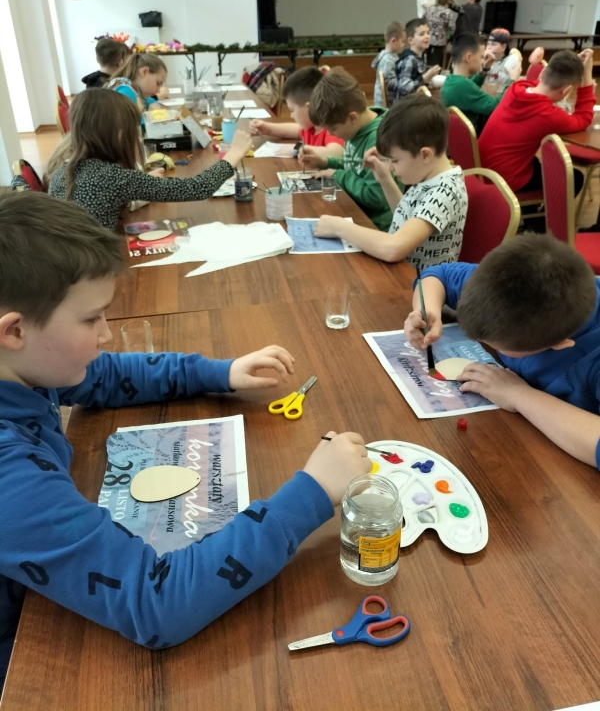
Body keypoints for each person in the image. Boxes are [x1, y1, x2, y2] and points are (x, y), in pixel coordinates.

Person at [0, 191, 371, 690]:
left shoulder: (22, 366)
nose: (107, 335)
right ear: (14, 331)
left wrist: (220, 373)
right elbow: (157, 603)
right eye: (91, 319)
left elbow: (103, 375)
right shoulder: (8, 478)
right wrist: (313, 492)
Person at [403, 233, 600, 470]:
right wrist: (426, 311)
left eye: (497, 344)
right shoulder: (505, 284)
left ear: (560, 344)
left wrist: (519, 395)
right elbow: (438, 275)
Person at [48, 90, 252, 229]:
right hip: (93, 267)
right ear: (118, 134)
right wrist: (234, 153)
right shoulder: (113, 177)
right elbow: (198, 188)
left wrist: (143, 183)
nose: (137, 138)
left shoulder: (62, 171)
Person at [313, 95, 467, 269]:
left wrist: (340, 227)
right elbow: (405, 215)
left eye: (395, 160)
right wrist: (385, 179)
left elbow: (394, 248)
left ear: (425, 155)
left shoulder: (444, 192)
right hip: (403, 273)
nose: (391, 167)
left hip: (418, 282)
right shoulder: (429, 176)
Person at [298, 68, 403, 231]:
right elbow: (353, 165)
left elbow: (375, 197)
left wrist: (337, 175)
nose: (330, 134)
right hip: (355, 211)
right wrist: (325, 162)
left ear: (352, 118)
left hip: (374, 225)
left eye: (333, 129)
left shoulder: (378, 140)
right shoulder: (356, 128)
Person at [478, 49, 594, 194]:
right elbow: (583, 119)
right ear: (566, 91)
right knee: (575, 178)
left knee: (536, 163)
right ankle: (538, 210)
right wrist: (586, 75)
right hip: (503, 181)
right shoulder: (548, 115)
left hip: (482, 170)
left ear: (544, 72)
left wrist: (568, 64)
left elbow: (540, 84)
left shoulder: (516, 88)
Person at [249, 66, 343, 158]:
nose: (291, 115)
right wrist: (267, 128)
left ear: (309, 108)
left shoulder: (332, 129)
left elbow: (336, 153)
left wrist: (296, 149)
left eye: (292, 110)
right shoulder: (310, 127)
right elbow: (296, 130)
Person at [441, 34, 520, 134]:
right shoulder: (463, 86)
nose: (483, 60)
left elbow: (469, 89)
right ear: (469, 57)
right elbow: (495, 106)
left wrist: (484, 71)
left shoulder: (451, 80)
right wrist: (512, 80)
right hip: (469, 140)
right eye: (481, 57)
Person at [395, 19, 441, 99]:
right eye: (422, 34)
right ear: (411, 40)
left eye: (428, 33)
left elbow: (417, 82)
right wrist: (425, 77)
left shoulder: (422, 56)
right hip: (406, 104)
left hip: (417, 99)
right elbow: (404, 88)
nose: (427, 36)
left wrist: (428, 84)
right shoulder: (409, 60)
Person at [371, 21, 406, 106]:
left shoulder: (388, 55)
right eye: (402, 41)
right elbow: (390, 83)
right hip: (387, 104)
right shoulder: (388, 60)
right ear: (393, 41)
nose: (404, 45)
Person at [424, 0, 458, 68]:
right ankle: (436, 73)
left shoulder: (430, 8)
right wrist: (448, 34)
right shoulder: (448, 12)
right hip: (440, 40)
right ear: (447, 0)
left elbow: (423, 19)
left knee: (425, 58)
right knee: (437, 62)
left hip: (428, 37)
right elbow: (452, 27)